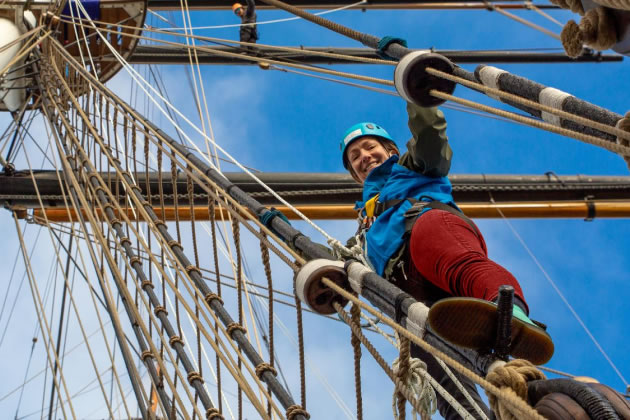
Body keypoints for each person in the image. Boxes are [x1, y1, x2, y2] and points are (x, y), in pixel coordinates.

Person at [340, 103, 554, 419]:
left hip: (427, 231)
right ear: (354, 174)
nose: (363, 157)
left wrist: (418, 98)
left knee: (457, 263)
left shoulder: (410, 167)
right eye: (354, 157)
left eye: (368, 147)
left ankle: (515, 315)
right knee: (428, 362)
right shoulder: (366, 220)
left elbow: (429, 139)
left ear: (391, 150)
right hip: (405, 285)